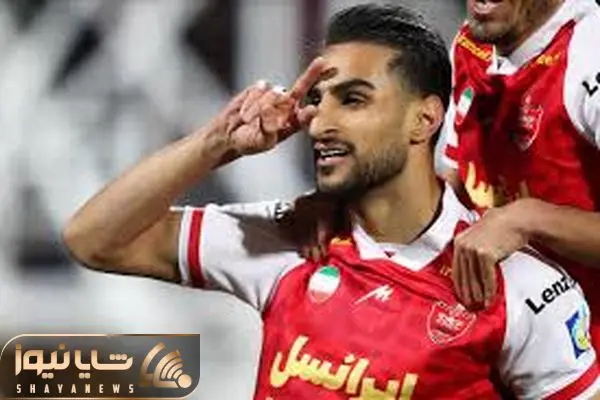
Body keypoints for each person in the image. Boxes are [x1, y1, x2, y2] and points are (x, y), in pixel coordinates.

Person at [63, 4, 600, 399]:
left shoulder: (520, 290)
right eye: (317, 100)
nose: (320, 123)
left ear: (424, 118)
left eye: (353, 100)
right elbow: (93, 239)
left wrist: (527, 218)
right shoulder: (290, 243)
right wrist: (216, 142)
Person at [439, 0, 600, 348]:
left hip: (586, 347)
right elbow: (455, 185)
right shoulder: (471, 43)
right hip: (502, 335)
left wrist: (529, 219)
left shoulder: (589, 56)